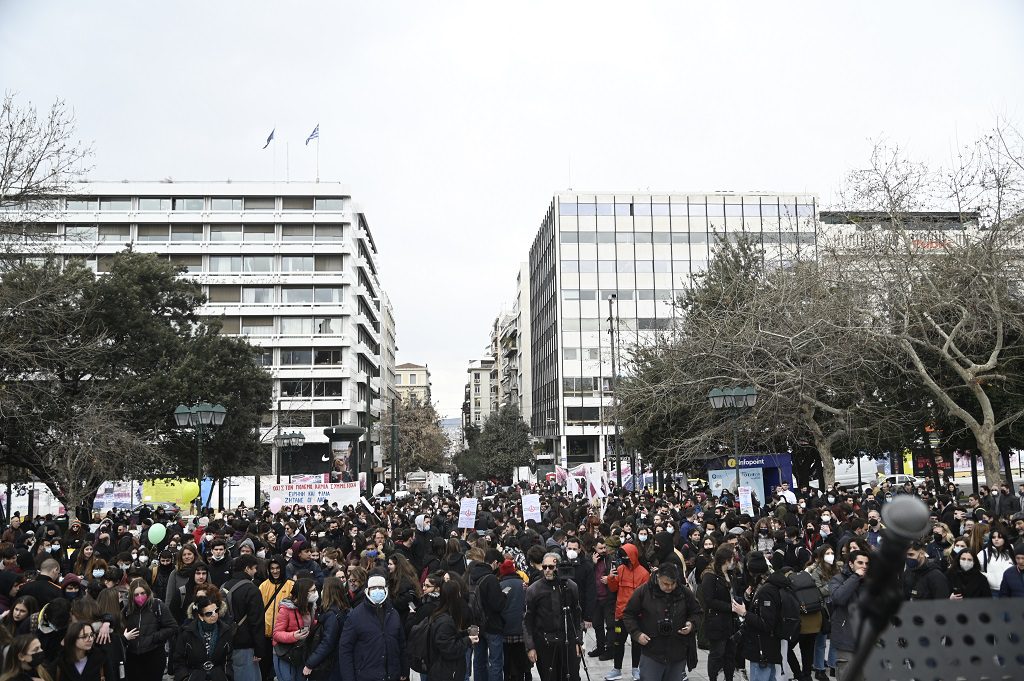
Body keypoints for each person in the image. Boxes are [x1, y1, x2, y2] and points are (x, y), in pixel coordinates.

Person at [622, 562, 701, 681]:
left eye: (672, 584)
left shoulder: (684, 592)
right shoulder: (644, 591)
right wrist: (637, 634)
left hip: (677, 651)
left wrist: (691, 624)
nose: (669, 587)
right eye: (665, 584)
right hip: (652, 651)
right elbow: (628, 614)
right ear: (658, 577)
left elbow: (697, 612)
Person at [523, 552, 583, 681]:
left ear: (558, 567)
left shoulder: (571, 586)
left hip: (568, 642)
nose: (547, 570)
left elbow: (577, 615)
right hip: (545, 644)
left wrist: (578, 641)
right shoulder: (534, 589)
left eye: (551, 567)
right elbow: (527, 620)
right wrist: (530, 647)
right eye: (544, 567)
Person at [338, 573, 407, 681]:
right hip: (366, 675)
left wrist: (403, 670)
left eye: (380, 588)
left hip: (392, 675)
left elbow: (401, 644)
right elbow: (345, 649)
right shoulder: (355, 616)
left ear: (385, 589)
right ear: (367, 590)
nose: (377, 591)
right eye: (374, 588)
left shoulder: (393, 614)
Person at [731, 552, 785, 681]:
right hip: (767, 646)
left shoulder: (766, 590)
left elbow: (766, 623)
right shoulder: (766, 583)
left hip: (762, 648)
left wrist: (743, 612)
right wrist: (748, 597)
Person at [606, 543, 650, 680]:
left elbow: (645, 597)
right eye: (622, 555)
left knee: (636, 643)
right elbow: (613, 589)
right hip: (621, 614)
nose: (624, 558)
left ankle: (635, 669)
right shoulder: (620, 569)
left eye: (627, 555)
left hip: (637, 616)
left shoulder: (643, 573)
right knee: (618, 642)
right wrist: (611, 578)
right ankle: (617, 669)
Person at [122, 578, 178, 681]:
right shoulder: (128, 609)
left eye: (142, 593)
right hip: (133, 656)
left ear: (147, 592)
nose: (140, 597)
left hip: (154, 654)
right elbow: (121, 626)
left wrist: (155, 637)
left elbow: (172, 627)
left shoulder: (157, 605)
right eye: (136, 595)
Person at [221, 554, 265, 681]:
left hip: (226, 641)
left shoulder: (224, 586)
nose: (256, 571)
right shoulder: (252, 590)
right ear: (247, 569)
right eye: (255, 568)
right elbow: (256, 622)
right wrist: (259, 649)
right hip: (245, 644)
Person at [172, 594, 235, 681]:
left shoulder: (225, 631)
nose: (214, 615)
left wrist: (226, 676)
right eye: (209, 613)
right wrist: (185, 678)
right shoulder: (187, 633)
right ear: (201, 616)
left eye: (216, 611)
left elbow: (228, 659)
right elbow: (179, 660)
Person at [828, 550, 869, 681]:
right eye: (860, 563)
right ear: (851, 564)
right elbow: (838, 598)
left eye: (867, 563)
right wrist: (855, 577)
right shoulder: (838, 579)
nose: (864, 566)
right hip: (847, 640)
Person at [699, 545, 738, 681]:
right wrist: (730, 607)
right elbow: (709, 600)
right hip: (716, 621)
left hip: (730, 621)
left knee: (730, 654)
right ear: (726, 560)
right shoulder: (710, 576)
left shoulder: (729, 574)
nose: (734, 561)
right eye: (732, 558)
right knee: (717, 653)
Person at [425, 581, 477, 681]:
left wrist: (465, 632)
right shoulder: (445, 621)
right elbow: (449, 649)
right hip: (446, 672)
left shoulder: (443, 615)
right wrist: (468, 640)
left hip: (445, 671)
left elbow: (449, 637)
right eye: (459, 593)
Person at [467, 548, 506, 681]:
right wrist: (504, 596)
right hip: (492, 625)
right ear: (495, 562)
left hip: (476, 624)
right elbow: (497, 605)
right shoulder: (491, 579)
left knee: (478, 661)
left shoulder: (471, 576)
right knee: (495, 662)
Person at [302, 576, 347, 681]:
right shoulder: (342, 610)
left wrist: (310, 663)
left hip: (329, 665)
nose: (321, 592)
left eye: (323, 589)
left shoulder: (332, 615)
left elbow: (327, 643)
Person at [272, 577, 318, 681]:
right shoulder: (286, 609)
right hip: (285, 652)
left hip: (300, 650)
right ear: (303, 592)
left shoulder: (310, 606)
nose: (316, 593)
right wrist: (293, 636)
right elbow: (276, 633)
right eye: (313, 590)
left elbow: (311, 623)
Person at [259, 556, 293, 681]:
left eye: (278, 568)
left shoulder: (291, 585)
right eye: (272, 568)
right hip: (266, 635)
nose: (275, 571)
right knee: (265, 667)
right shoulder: (263, 586)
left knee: (281, 670)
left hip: (283, 636)